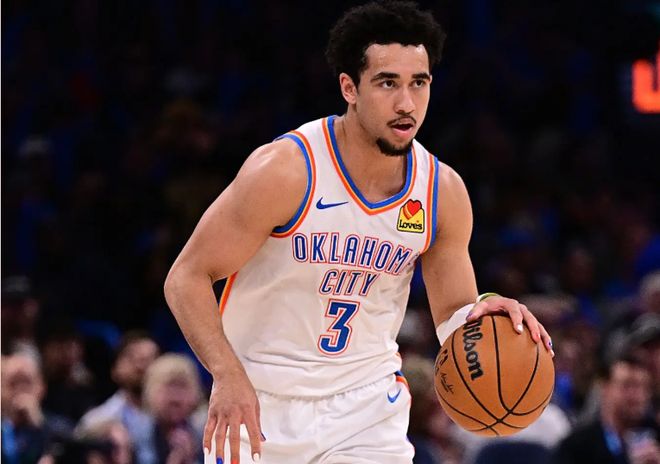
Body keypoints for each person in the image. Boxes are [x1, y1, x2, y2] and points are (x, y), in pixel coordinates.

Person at [164, 2, 553, 463]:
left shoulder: (441, 191)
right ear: (349, 87)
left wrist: (484, 311)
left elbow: (453, 314)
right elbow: (186, 277)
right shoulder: (286, 171)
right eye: (388, 83)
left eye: (419, 83)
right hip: (260, 401)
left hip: (366, 411)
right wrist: (226, 374)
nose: (406, 103)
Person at [552, 355, 660, 464]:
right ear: (604, 388)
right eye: (627, 385)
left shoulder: (656, 437)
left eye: (643, 387)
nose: (637, 396)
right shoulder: (576, 447)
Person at [76, 331, 160, 464]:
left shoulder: (183, 420)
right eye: (132, 358)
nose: (141, 366)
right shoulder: (95, 420)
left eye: (150, 359)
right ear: (115, 369)